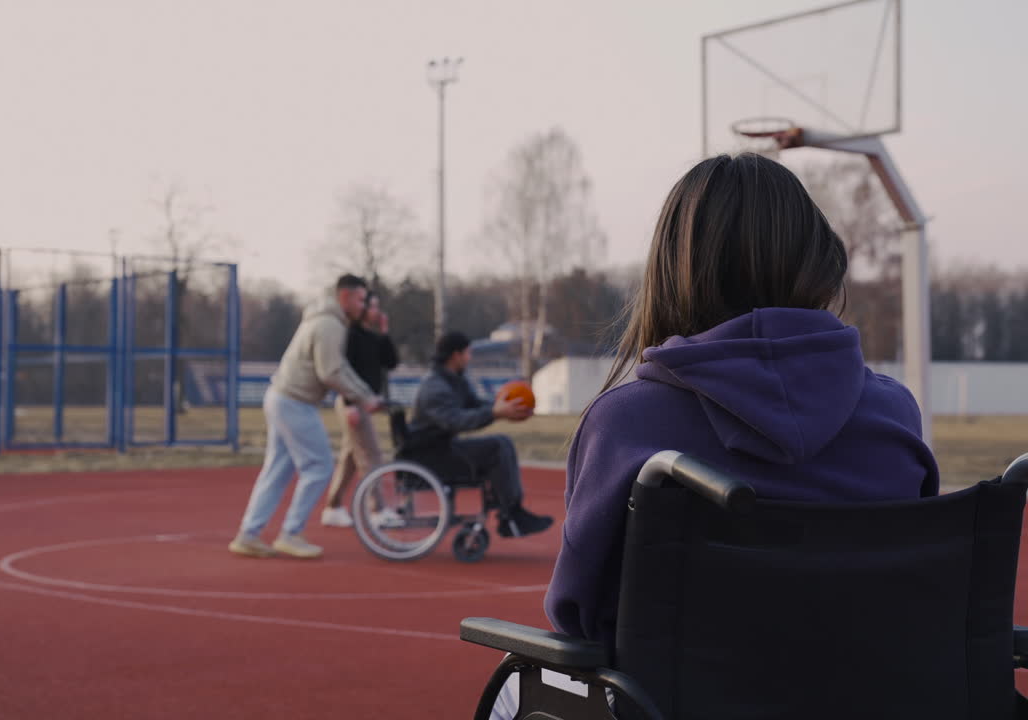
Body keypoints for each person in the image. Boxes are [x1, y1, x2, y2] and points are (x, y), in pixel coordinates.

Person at [489, 153, 940, 718]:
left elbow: (577, 617)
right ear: (822, 266)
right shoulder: (894, 415)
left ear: (673, 272)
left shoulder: (628, 422)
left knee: (516, 692)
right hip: (869, 698)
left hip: (673, 703)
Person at [229, 274, 382, 560]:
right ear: (345, 297)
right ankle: (291, 533)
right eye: (360, 299)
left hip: (282, 397)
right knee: (319, 466)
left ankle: (249, 534)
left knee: (277, 470)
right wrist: (365, 397)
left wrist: (363, 393)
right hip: (294, 401)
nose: (363, 306)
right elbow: (332, 372)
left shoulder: (323, 320)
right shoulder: (330, 325)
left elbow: (337, 368)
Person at [410, 331, 554, 538]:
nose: (470, 358)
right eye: (467, 353)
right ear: (456, 355)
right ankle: (510, 515)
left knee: (502, 442)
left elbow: (476, 405)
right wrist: (495, 412)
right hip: (429, 455)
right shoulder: (435, 387)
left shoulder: (454, 381)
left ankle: (512, 512)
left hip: (442, 447)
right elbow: (457, 420)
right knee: (496, 447)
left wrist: (505, 410)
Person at [321, 291, 401, 528]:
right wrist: (348, 405)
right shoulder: (351, 336)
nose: (376, 311)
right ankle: (377, 511)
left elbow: (391, 362)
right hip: (353, 404)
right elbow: (342, 373)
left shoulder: (373, 337)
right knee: (371, 455)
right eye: (372, 306)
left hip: (365, 403)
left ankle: (333, 507)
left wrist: (385, 331)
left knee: (351, 458)